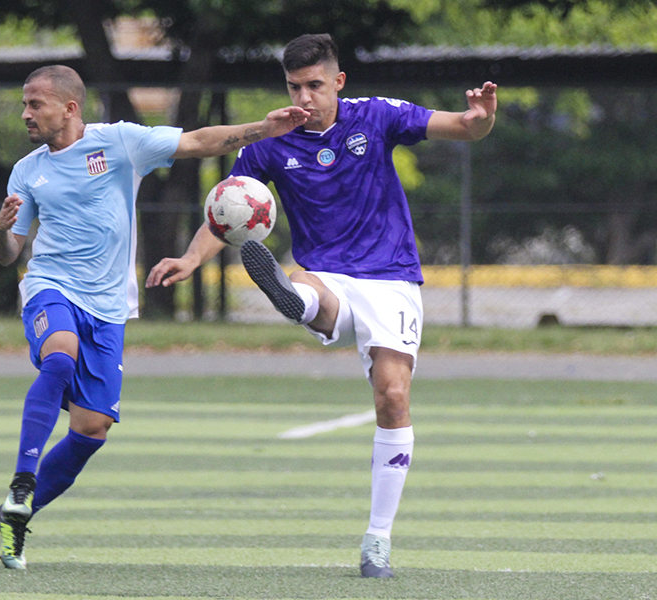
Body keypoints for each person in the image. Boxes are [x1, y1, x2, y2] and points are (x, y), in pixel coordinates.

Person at [146, 33, 497, 578]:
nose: (304, 97)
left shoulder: (376, 116)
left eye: (314, 85)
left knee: (393, 398)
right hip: (326, 274)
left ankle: (377, 540)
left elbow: (463, 127)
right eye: (294, 87)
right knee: (306, 289)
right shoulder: (269, 140)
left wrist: (481, 117)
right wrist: (191, 258)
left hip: (390, 277)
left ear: (338, 82)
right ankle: (298, 301)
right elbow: (229, 210)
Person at [0, 64, 308, 570]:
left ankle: (16, 514)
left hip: (108, 306)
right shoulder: (27, 171)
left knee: (92, 430)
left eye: (35, 104)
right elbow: (10, 254)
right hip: (51, 287)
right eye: (24, 104)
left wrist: (265, 129)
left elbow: (199, 142)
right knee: (60, 357)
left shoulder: (119, 142)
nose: (26, 114)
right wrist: (2, 231)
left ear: (69, 108)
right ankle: (22, 482)